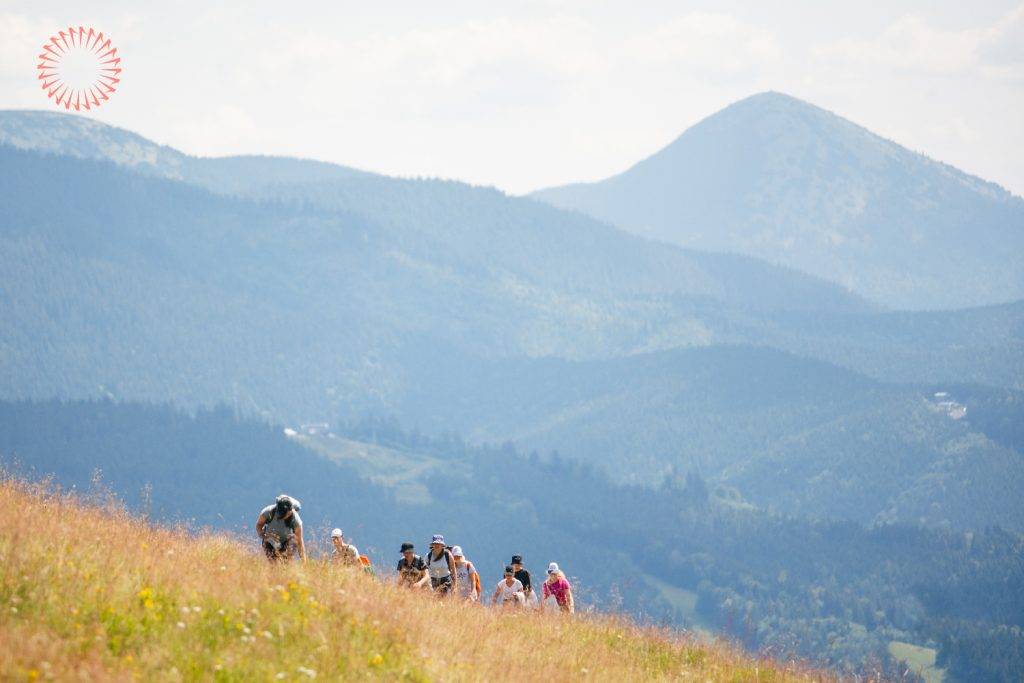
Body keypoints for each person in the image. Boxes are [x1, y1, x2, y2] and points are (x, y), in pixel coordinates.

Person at [256, 495, 306, 563]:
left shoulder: (295, 519)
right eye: (285, 515)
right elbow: (259, 525)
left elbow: (299, 540)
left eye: (288, 514)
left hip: (287, 542)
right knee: (274, 565)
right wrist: (263, 536)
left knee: (285, 564)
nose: (287, 516)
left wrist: (304, 561)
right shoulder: (268, 512)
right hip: (270, 541)